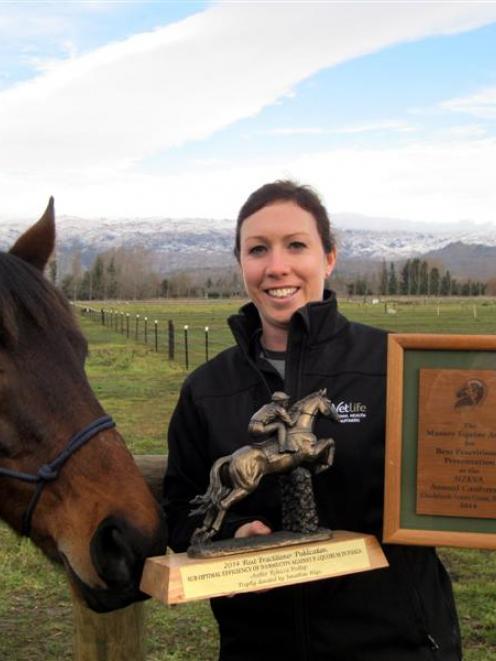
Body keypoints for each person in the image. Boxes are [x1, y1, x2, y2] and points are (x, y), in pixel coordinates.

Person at [163, 180, 461, 661]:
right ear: (241, 264)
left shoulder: (395, 366)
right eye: (258, 249)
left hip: (395, 645)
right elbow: (180, 509)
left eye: (296, 245)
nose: (276, 266)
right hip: (260, 647)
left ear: (329, 258)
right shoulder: (206, 389)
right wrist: (232, 536)